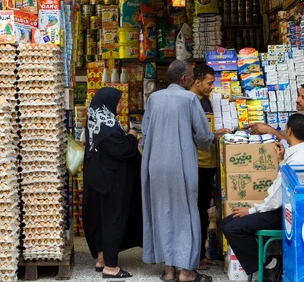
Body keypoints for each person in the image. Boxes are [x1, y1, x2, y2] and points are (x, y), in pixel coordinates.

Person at [141, 60, 230, 282]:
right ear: (183, 79)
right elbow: (202, 136)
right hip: (179, 164)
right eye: (190, 76)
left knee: (162, 212)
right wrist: (213, 137)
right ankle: (186, 272)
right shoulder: (190, 99)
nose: (192, 79)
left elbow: (146, 131)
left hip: (155, 164)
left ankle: (169, 270)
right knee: (185, 214)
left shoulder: (154, 99)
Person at [221, 114, 304, 278]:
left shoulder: (299, 159)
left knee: (232, 227)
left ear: (289, 130)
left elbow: (277, 197)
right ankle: (267, 263)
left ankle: (270, 264)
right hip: (286, 210)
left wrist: (252, 210)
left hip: (286, 214)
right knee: (228, 222)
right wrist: (281, 161)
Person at [83, 87, 143, 279]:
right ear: (108, 103)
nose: (122, 104)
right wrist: (132, 137)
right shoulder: (107, 125)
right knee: (112, 220)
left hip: (97, 179)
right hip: (110, 182)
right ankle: (111, 267)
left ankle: (101, 259)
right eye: (119, 102)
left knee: (101, 220)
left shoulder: (96, 118)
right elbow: (122, 150)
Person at [248, 82, 304, 158]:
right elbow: (286, 136)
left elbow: (297, 146)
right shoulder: (303, 114)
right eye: (298, 95)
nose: (297, 100)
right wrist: (265, 128)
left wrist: (271, 131)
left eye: (303, 98)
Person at [190, 64, 218, 270]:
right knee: (197, 210)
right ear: (197, 82)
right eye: (209, 83)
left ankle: (201, 253)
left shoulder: (206, 100)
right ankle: (196, 257)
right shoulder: (191, 103)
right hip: (196, 164)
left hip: (208, 163)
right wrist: (213, 136)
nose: (212, 87)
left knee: (202, 211)